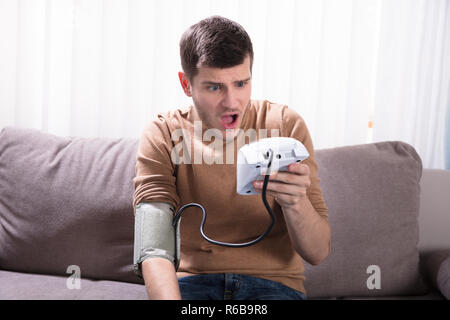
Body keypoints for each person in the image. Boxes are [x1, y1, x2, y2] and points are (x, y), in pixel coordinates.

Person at [133, 15, 330, 300]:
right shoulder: (163, 133)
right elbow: (153, 248)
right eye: (214, 87)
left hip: (274, 286)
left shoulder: (285, 124)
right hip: (192, 286)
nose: (231, 102)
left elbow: (318, 252)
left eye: (241, 83)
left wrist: (295, 201)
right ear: (186, 84)